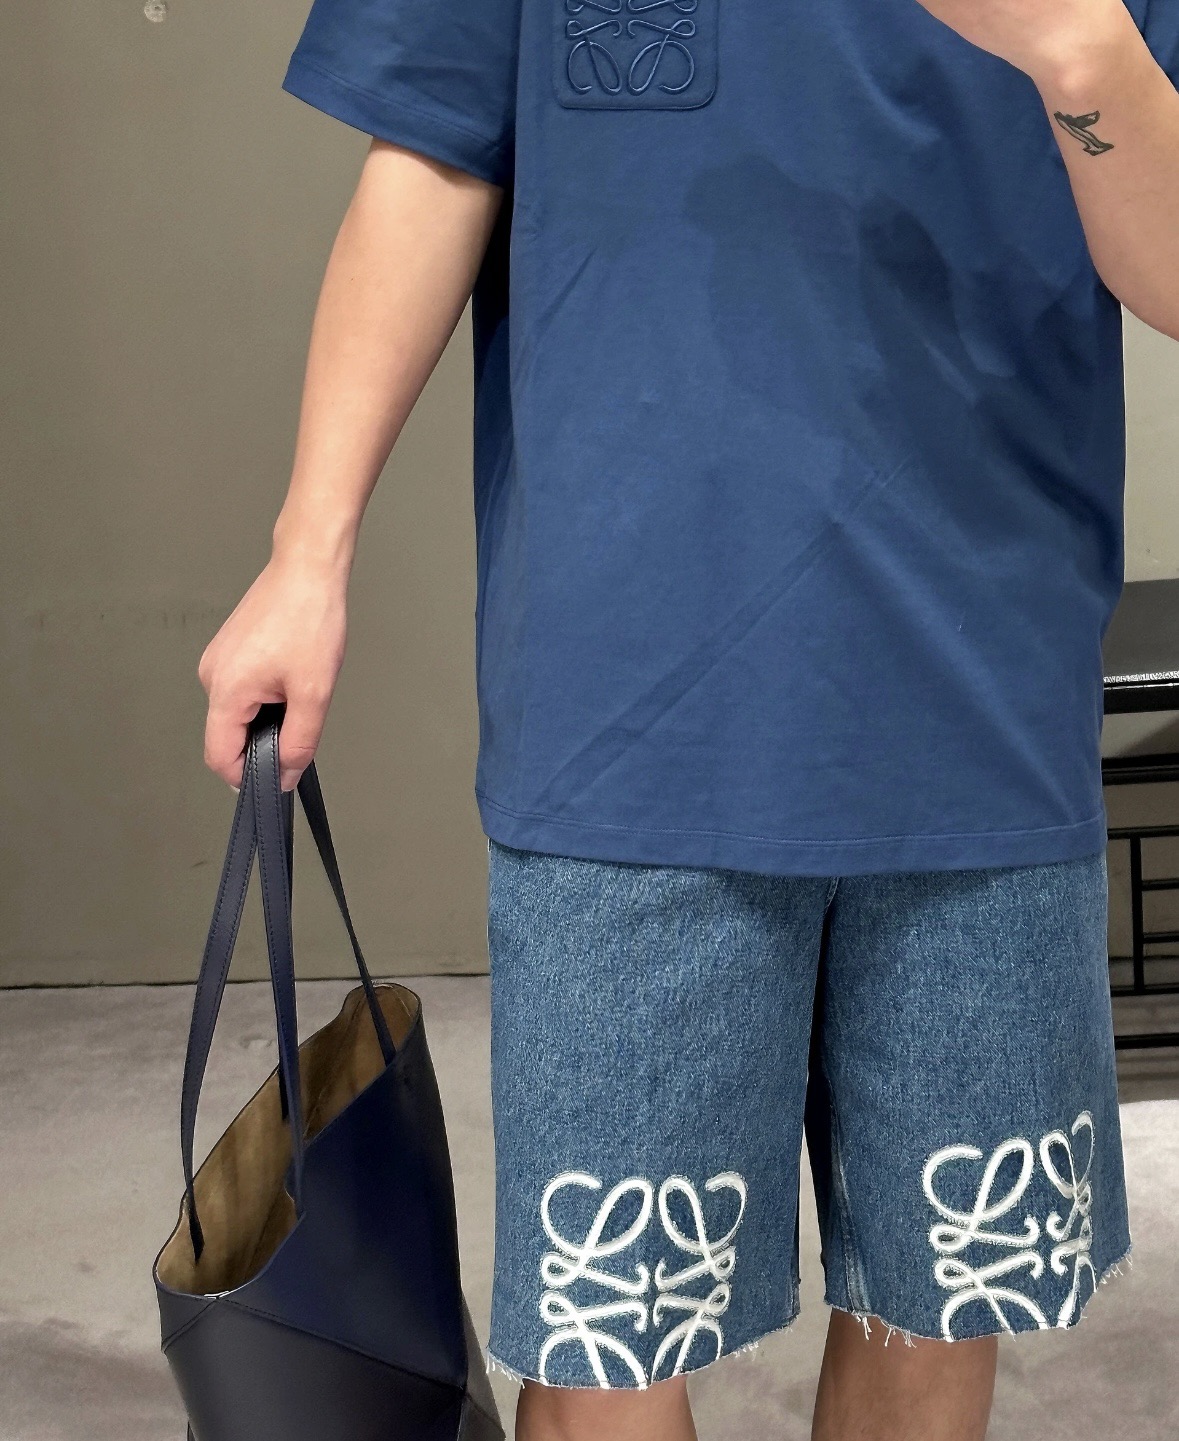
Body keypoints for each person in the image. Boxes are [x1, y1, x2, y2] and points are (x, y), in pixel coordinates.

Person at [198, 1, 1179, 1436]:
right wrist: (307, 551)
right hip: (628, 707)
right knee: (607, 1343)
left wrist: (1085, 51)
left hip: (986, 704)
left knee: (939, 1307)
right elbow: (431, 162)